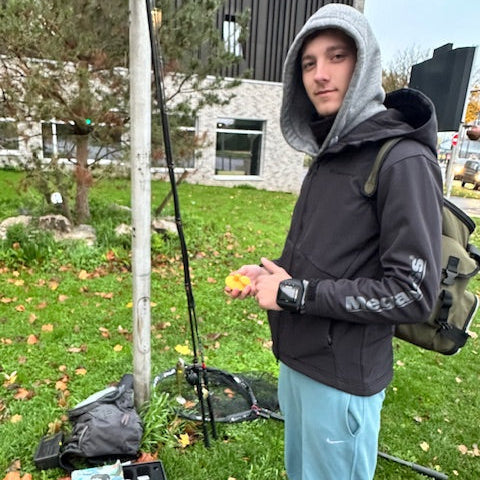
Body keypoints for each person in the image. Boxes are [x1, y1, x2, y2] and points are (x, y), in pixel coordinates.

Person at [225, 4, 442, 480]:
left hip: (342, 381)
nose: (320, 74)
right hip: (299, 363)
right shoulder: (332, 153)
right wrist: (272, 274)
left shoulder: (402, 159)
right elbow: (333, 257)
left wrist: (295, 293)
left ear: (364, 64)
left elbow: (412, 293)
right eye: (308, 63)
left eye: (337, 57)